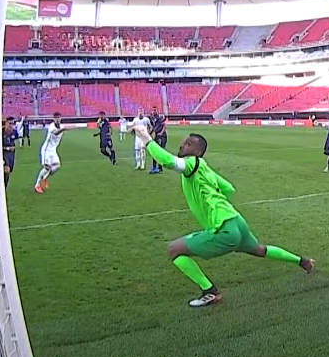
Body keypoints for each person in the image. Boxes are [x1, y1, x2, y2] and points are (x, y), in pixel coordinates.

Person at [132, 125, 314, 307]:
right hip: (236, 221)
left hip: (224, 228)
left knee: (174, 250)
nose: (182, 146)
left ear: (197, 152)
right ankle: (302, 261)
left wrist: (146, 137)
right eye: (184, 143)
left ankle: (210, 291)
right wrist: (215, 202)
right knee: (260, 250)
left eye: (188, 144)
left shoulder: (191, 163)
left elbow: (167, 161)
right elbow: (228, 188)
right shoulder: (204, 168)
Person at [35, 112, 71, 194]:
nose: (57, 119)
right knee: (47, 167)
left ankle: (44, 178)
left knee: (57, 166)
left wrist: (65, 128)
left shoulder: (61, 126)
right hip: (46, 149)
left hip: (53, 150)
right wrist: (64, 129)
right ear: (53, 119)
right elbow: (55, 132)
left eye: (58, 117)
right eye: (56, 118)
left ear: (61, 118)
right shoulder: (52, 126)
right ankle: (37, 185)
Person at [149, 107, 168, 174]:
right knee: (154, 151)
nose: (154, 111)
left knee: (159, 152)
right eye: (152, 110)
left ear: (157, 111)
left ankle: (160, 168)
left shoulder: (160, 118)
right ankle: (154, 167)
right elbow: (152, 128)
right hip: (156, 136)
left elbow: (165, 126)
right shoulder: (152, 119)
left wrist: (161, 133)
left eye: (155, 110)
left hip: (161, 137)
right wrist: (149, 134)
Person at [2, 117, 19, 187]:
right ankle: (2, 187)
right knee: (7, 170)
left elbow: (14, 141)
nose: (11, 125)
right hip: (3, 154)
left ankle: (4, 187)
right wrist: (8, 148)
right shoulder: (1, 132)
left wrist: (13, 147)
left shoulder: (14, 132)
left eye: (12, 124)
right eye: (10, 123)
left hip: (11, 155)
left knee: (8, 172)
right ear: (6, 123)